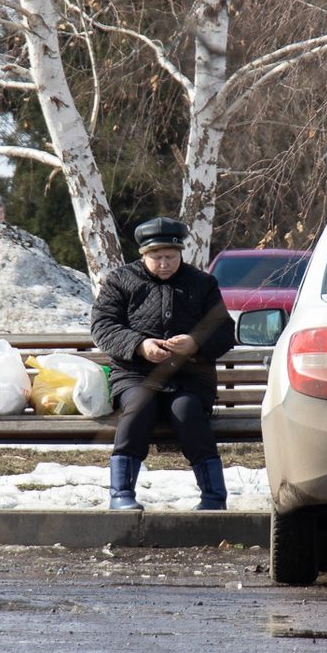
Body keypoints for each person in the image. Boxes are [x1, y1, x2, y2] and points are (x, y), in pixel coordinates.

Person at [90, 216, 237, 511]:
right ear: (143, 255)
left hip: (190, 377)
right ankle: (121, 494)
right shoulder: (119, 281)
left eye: (170, 256)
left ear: (180, 253)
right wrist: (139, 345)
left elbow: (223, 330)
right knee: (139, 408)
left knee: (188, 412)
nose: (164, 263)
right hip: (135, 375)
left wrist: (194, 343)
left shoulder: (202, 283)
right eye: (156, 257)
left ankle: (213, 497)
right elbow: (103, 326)